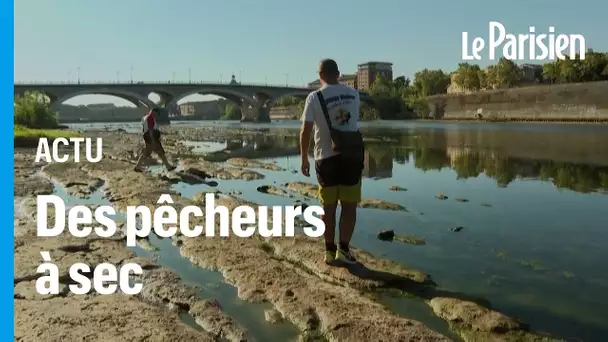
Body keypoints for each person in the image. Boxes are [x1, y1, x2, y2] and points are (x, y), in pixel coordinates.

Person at [299, 59, 364, 265]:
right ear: (338, 74)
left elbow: (306, 130)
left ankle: (329, 251)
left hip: (325, 158)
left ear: (320, 75)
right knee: (349, 206)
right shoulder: (354, 94)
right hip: (351, 157)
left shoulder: (314, 97)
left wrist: (303, 157)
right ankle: (344, 250)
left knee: (328, 207)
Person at [134, 107, 176, 172]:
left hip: (148, 136)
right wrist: (153, 140)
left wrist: (162, 133)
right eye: (156, 114)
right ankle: (168, 167)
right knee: (159, 151)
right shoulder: (150, 118)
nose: (156, 115)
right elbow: (150, 130)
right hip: (151, 137)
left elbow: (147, 128)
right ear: (154, 112)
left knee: (147, 152)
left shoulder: (146, 117)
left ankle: (137, 167)